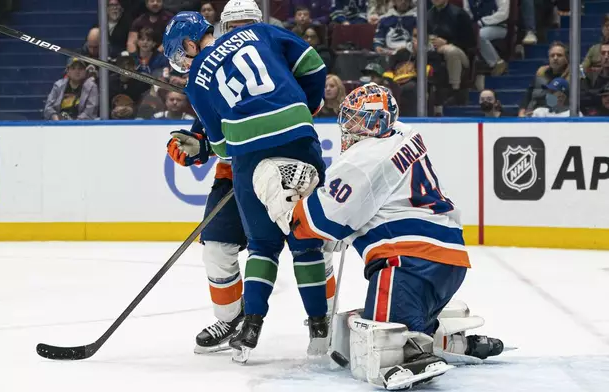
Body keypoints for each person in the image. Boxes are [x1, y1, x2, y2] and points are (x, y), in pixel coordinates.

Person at [253, 83, 504, 389]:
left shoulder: (361, 160)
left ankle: (412, 354)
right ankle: (452, 342)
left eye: (360, 120)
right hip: (451, 260)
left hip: (407, 263)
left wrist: (286, 208)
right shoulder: (404, 132)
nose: (351, 126)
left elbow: (322, 224)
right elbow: (367, 204)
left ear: (379, 121)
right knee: (391, 325)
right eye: (350, 118)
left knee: (379, 343)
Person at [163, 1, 336, 356]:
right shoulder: (254, 46)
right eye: (234, 24)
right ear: (222, 28)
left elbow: (223, 137)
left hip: (253, 156)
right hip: (236, 174)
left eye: (248, 23)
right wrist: (192, 145)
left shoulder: (232, 60)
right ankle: (231, 318)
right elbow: (207, 138)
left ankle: (326, 320)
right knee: (217, 247)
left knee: (315, 239)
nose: (241, 28)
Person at [519, 41, 569, 117]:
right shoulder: (541, 73)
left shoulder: (573, 76)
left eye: (559, 55)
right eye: (552, 56)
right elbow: (528, 94)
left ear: (566, 58)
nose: (555, 58)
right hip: (532, 114)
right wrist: (522, 111)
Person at [463, 0, 509, 76]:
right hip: (478, 26)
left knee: (479, 35)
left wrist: (483, 22)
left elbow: (503, 14)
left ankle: (497, 63)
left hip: (498, 26)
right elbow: (467, 13)